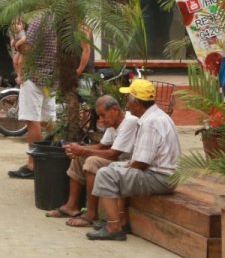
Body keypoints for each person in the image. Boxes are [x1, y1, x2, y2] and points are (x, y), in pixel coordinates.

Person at [87, 79, 182, 241]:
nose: (127, 105)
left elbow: (141, 162)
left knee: (105, 174)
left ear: (137, 103)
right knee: (116, 169)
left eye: (128, 100)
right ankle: (120, 221)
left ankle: (113, 227)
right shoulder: (156, 116)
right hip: (162, 175)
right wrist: (122, 165)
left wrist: (123, 166)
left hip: (160, 178)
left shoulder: (150, 123)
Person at [52, 95, 140, 227]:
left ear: (115, 110)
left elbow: (112, 154)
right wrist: (78, 149)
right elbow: (100, 147)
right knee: (79, 158)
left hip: (128, 163)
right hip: (116, 161)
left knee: (92, 161)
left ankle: (92, 214)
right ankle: (71, 206)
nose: (101, 120)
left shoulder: (130, 122)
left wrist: (83, 150)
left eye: (103, 115)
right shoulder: (112, 123)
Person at [8, 14, 56, 179]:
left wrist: (19, 35)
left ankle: (33, 164)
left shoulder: (40, 21)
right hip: (51, 77)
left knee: (33, 120)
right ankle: (53, 157)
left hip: (34, 76)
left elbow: (27, 49)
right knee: (48, 119)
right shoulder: (59, 20)